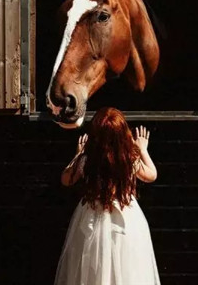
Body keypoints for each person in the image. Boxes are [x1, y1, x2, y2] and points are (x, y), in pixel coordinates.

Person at [54, 107, 161, 285]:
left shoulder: (87, 160)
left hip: (92, 217)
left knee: (92, 269)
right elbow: (152, 175)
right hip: (126, 218)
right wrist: (142, 149)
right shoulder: (128, 160)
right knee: (127, 267)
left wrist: (77, 155)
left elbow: (66, 179)